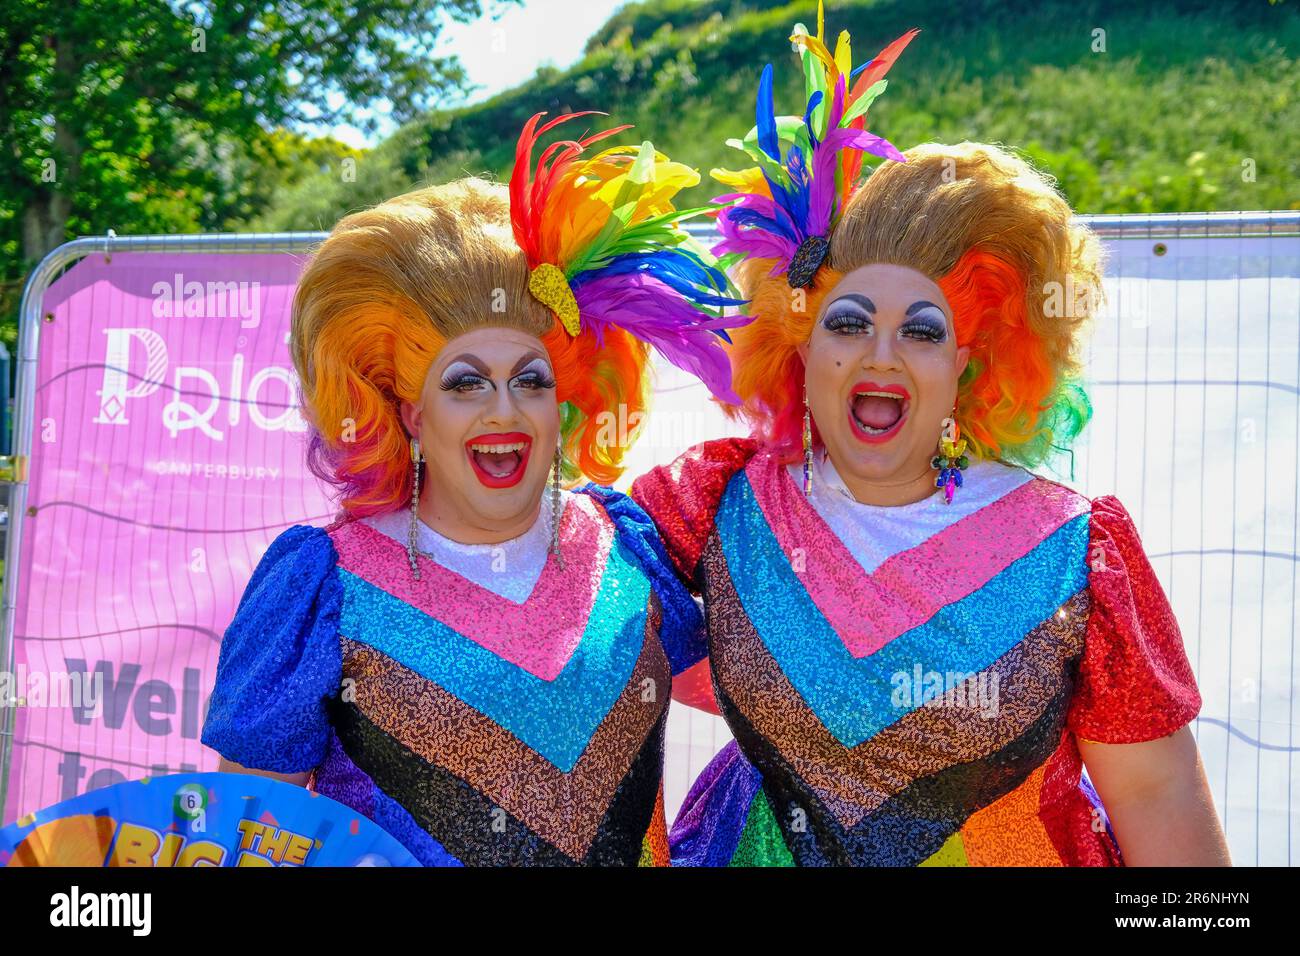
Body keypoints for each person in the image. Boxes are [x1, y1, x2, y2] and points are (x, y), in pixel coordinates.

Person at [630, 6, 1231, 866]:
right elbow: (562, 599)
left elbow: (1155, 793)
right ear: (800, 342)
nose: (881, 356)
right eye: (847, 324)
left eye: (920, 330)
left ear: (968, 361)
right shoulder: (715, 503)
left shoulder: (1075, 549)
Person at [201, 110, 748, 866]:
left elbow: (775, 710)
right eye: (466, 384)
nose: (505, 409)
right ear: (408, 414)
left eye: (530, 379)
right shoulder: (320, 583)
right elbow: (251, 831)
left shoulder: (627, 549)